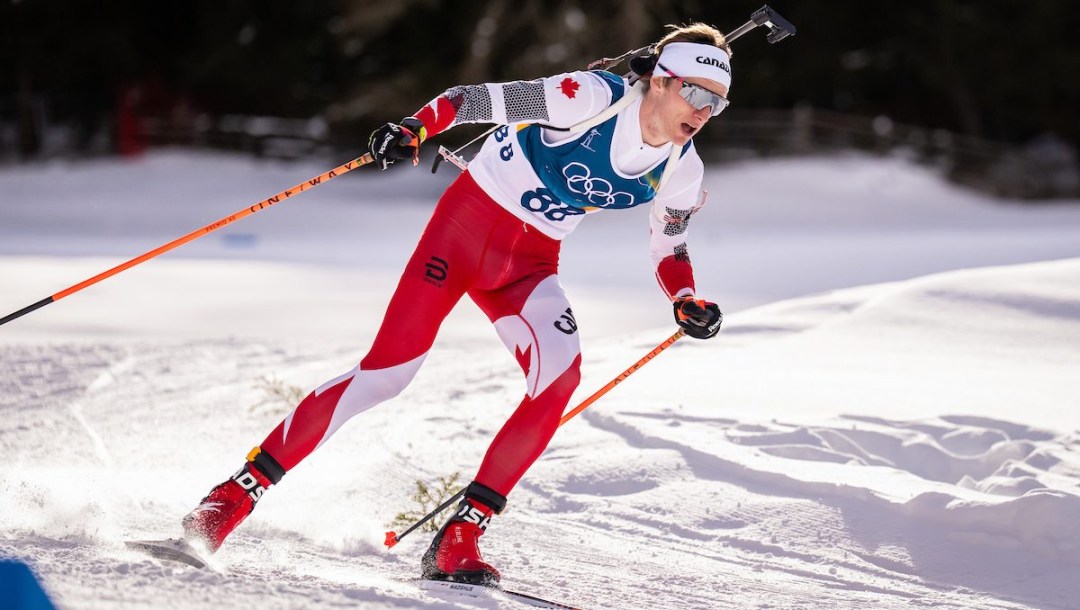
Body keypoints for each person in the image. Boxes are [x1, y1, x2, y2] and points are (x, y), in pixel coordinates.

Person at [181, 21, 729, 585]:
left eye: (718, 101)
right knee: (385, 374)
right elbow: (469, 100)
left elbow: (671, 241)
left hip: (529, 266)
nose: (704, 110)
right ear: (661, 81)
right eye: (695, 92)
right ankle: (230, 498)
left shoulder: (683, 170)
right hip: (462, 232)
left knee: (560, 380)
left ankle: (462, 534)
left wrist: (685, 297)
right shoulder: (589, 98)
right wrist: (415, 128)